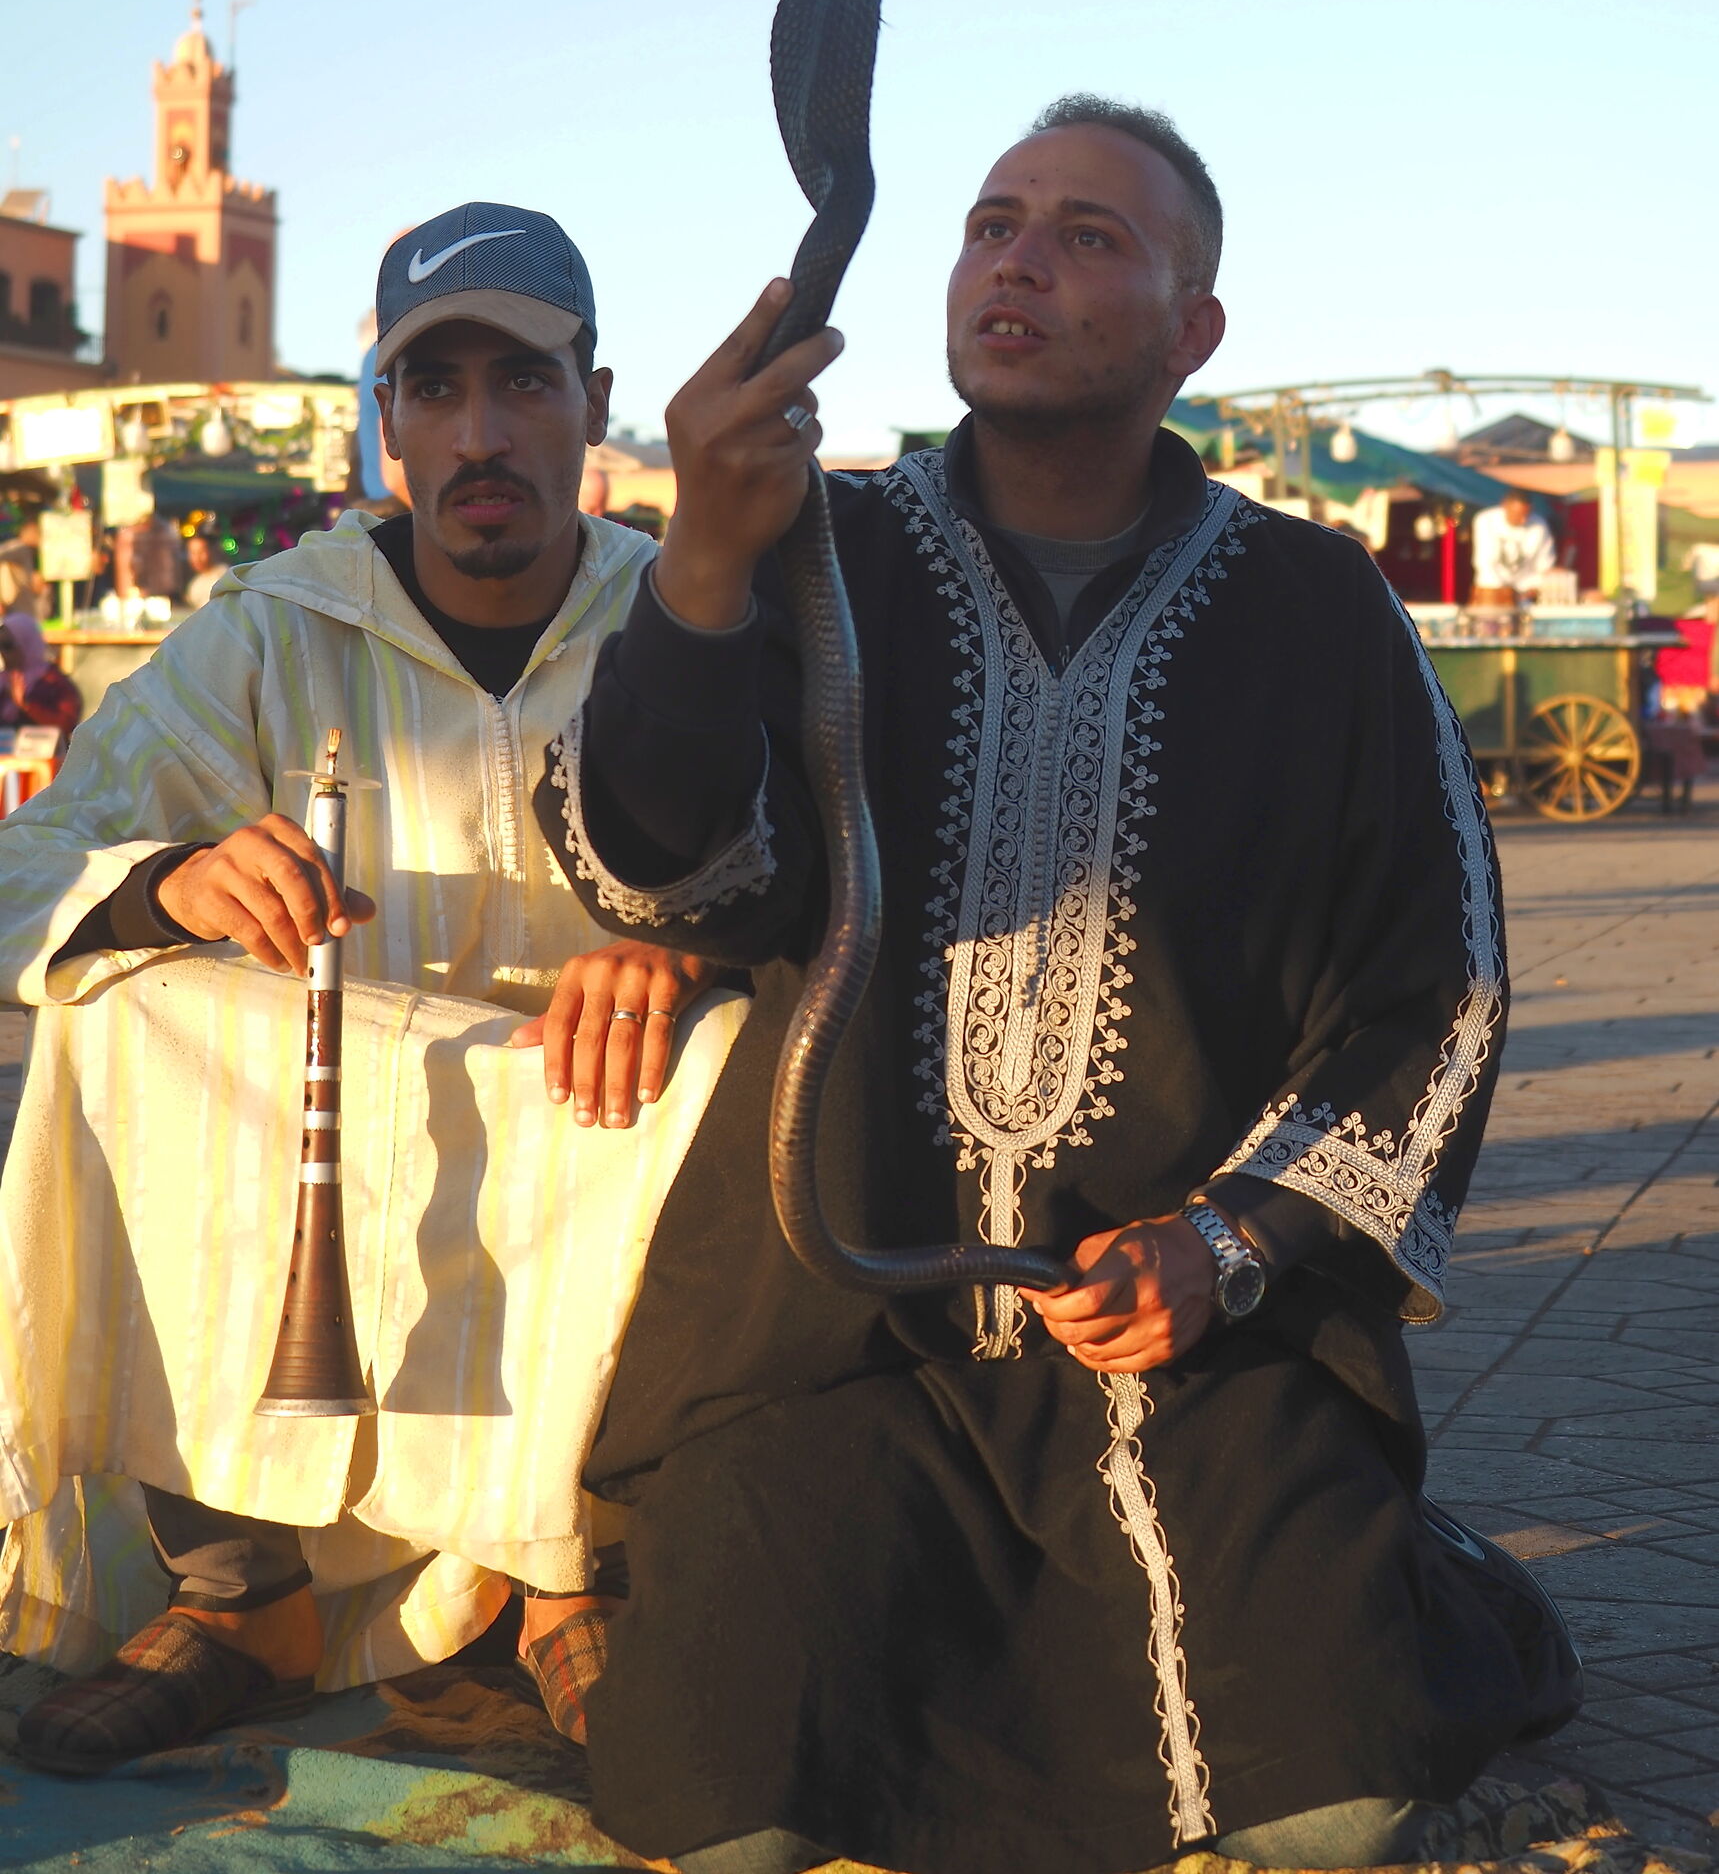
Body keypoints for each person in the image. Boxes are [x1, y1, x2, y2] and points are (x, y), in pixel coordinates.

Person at [538, 99, 1575, 1874]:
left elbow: (1441, 991)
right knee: (722, 1809)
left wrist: (1232, 1239)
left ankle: (1389, 1573)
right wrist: (699, 558)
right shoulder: (810, 557)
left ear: (1192, 331)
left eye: (1086, 235)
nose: (1015, 257)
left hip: (1193, 1352)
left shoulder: (1316, 608)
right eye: (992, 221)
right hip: (834, 1345)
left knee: (1335, 1803)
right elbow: (660, 871)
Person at [0, 203, 728, 1772]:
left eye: (524, 385)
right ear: (384, 420)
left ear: (595, 404)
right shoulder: (267, 636)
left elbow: (840, 876)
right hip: (321, 1255)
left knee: (733, 1048)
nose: (482, 434)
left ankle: (566, 1570)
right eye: (437, 389)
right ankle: (242, 1590)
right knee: (117, 996)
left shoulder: (684, 625)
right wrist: (165, 884)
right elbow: (26, 871)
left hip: (586, 1183)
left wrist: (695, 951)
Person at [0, 611, 82, 743]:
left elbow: (66, 724)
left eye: (8, 645)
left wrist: (27, 706)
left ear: (26, 643)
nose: (3, 652)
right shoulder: (4, 681)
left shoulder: (53, 681)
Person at [1470, 490, 1557, 607]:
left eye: (1526, 514)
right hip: (1491, 591)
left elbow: (1544, 565)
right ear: (1505, 506)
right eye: (1517, 514)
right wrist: (1505, 594)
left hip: (1523, 594)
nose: (1523, 520)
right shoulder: (1486, 520)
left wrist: (1538, 585)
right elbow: (1484, 562)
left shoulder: (1539, 525)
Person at [182, 524, 225, 609]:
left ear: (213, 550)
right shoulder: (195, 583)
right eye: (193, 553)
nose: (197, 558)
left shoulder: (223, 576)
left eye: (201, 552)